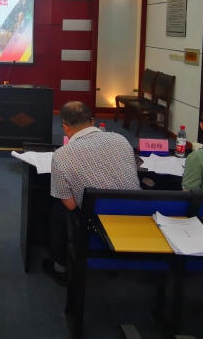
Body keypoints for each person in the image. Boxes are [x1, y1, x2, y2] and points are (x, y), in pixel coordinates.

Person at [43, 101, 141, 286]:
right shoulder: (121, 139)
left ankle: (60, 268)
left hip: (98, 222)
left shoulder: (62, 155)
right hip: (134, 213)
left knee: (58, 208)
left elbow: (71, 205)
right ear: (93, 121)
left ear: (65, 127)